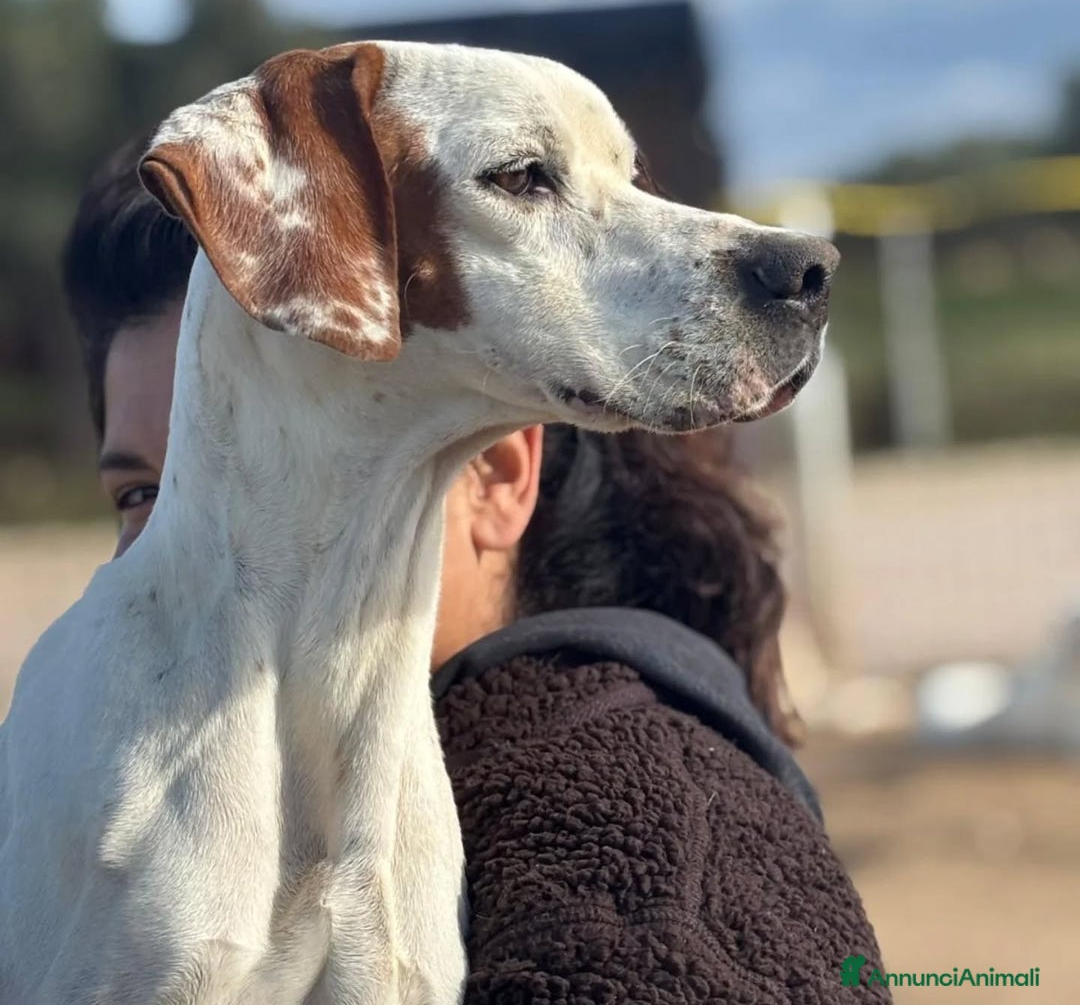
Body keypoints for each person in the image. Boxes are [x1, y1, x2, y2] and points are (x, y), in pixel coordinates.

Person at [62, 133, 890, 1001]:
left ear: (495, 477)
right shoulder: (170, 816)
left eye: (255, 464)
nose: (176, 549)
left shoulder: (666, 875)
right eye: (141, 493)